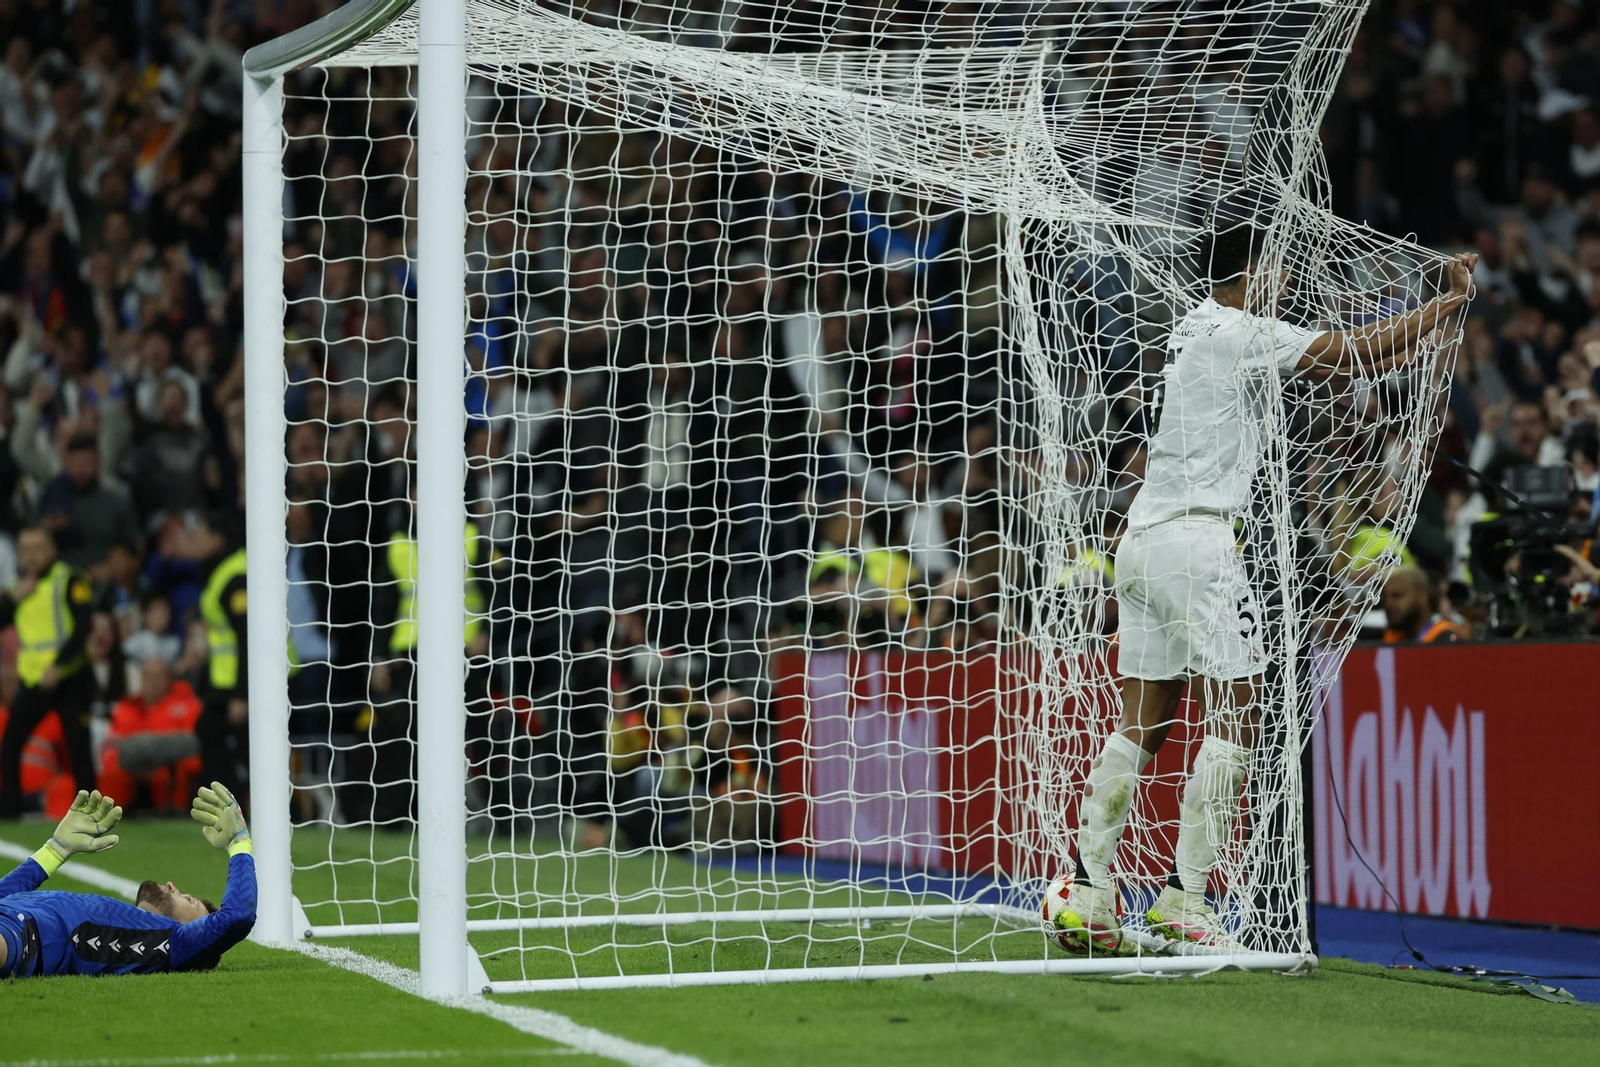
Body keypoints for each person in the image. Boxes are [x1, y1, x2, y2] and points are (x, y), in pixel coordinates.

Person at [1053, 224, 1476, 953]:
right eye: (1273, 268)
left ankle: (1087, 886)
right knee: (1238, 711)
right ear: (1248, 274)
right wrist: (1442, 308)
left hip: (1141, 538)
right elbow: (1351, 356)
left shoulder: (1189, 329)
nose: (1281, 279)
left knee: (1144, 718)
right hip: (1198, 540)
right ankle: (1186, 897)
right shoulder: (1235, 328)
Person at [0, 785, 255, 978]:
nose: (172, 886)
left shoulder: (174, 943)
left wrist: (239, 844)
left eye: (188, 900)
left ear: (198, 935)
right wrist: (55, 850)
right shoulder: (124, 920)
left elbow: (237, 917)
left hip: (22, 937)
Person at [0, 527, 98, 818]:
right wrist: (12, 599)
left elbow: (83, 628)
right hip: (34, 680)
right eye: (24, 550)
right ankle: (9, 812)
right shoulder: (18, 586)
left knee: (78, 747)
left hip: (71, 677)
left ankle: (91, 816)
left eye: (36, 549)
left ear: (51, 550)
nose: (29, 556)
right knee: (10, 744)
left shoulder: (70, 579)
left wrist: (59, 665)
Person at [195, 516, 248, 786]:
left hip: (243, 682)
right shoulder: (226, 570)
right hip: (230, 678)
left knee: (213, 732)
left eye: (200, 533)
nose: (194, 540)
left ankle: (231, 805)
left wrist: (242, 694)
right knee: (211, 731)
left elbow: (247, 636)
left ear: (217, 538)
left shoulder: (234, 576)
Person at [1381, 566, 1468, 643]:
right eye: (1386, 597)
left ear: (1422, 595)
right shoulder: (1390, 637)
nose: (1388, 604)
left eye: (1397, 595)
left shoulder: (1447, 640)